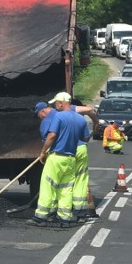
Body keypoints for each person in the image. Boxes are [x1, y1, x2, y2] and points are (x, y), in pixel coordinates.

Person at [28, 98, 90, 228]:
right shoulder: (76, 116)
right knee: (68, 187)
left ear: (43, 112)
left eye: (38, 115)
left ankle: (43, 216)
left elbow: (50, 137)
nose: (39, 118)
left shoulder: (49, 120)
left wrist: (43, 152)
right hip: (75, 154)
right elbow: (86, 133)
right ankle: (67, 218)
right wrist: (95, 122)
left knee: (49, 184)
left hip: (58, 155)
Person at [50, 92, 99, 221]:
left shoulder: (65, 111)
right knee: (80, 180)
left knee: (64, 181)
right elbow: (90, 110)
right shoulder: (78, 117)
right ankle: (80, 211)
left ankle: (59, 210)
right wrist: (96, 123)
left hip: (67, 151)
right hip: (80, 149)